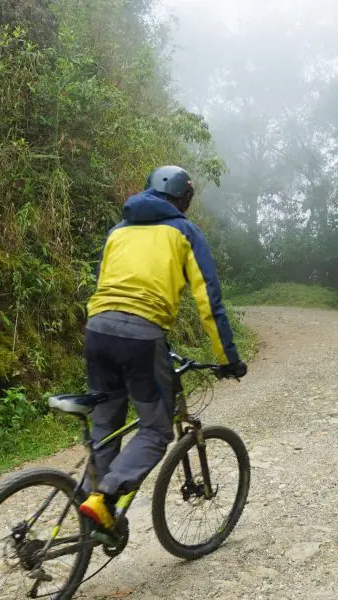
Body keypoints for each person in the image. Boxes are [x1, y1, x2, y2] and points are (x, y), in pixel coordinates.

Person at [79, 165, 247, 533]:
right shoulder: (184, 231)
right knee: (156, 430)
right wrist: (228, 360)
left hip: (97, 329)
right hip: (141, 337)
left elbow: (103, 286)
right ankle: (106, 498)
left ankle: (93, 512)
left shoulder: (117, 232)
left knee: (106, 423)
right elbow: (210, 302)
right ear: (183, 200)